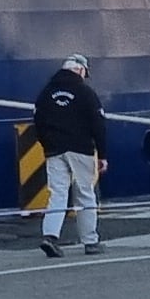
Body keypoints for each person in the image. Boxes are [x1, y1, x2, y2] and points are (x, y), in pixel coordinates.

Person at [31, 55, 107, 257]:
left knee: (57, 194)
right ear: (81, 71)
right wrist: (103, 154)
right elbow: (98, 124)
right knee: (85, 193)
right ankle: (90, 242)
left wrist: (47, 145)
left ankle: (50, 237)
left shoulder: (46, 93)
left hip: (54, 151)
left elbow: (37, 121)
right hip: (81, 149)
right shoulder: (85, 92)